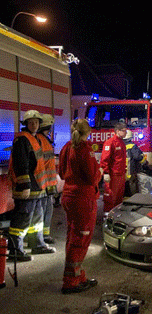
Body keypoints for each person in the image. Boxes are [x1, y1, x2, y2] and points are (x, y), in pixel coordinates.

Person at [59, 119, 102, 294]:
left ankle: (78, 275)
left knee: (73, 236)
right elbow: (92, 177)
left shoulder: (66, 147)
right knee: (81, 239)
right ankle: (71, 281)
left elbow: (62, 173)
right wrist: (100, 172)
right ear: (88, 132)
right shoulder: (85, 149)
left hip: (69, 196)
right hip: (83, 199)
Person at [8, 110, 56, 262]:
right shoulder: (22, 140)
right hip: (27, 188)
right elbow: (21, 164)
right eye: (31, 122)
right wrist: (25, 186)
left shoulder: (36, 139)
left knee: (37, 219)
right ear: (26, 124)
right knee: (22, 219)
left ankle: (37, 244)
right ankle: (15, 250)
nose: (34, 125)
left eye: (36, 122)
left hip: (37, 188)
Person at [37, 114, 57, 244]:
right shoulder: (41, 140)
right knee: (44, 210)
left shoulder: (42, 139)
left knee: (46, 209)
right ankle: (42, 237)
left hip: (46, 182)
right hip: (44, 183)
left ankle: (44, 235)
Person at [100, 123, 127, 213]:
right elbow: (105, 159)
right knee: (110, 197)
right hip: (113, 175)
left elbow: (121, 159)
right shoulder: (110, 142)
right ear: (117, 131)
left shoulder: (121, 142)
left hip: (120, 174)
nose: (126, 132)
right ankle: (107, 217)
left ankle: (116, 216)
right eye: (124, 131)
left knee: (119, 198)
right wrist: (106, 173)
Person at [123, 129, 145, 196]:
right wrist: (143, 159)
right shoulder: (132, 146)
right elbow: (137, 157)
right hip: (131, 170)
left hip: (123, 172)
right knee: (132, 189)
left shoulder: (120, 145)